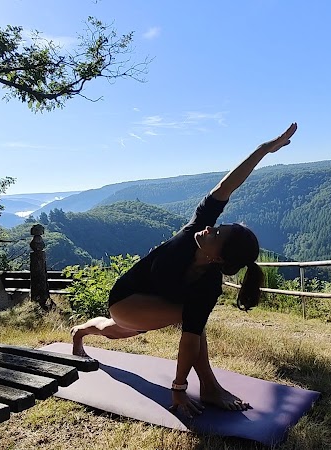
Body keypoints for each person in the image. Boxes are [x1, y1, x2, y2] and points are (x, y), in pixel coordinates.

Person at [71, 122, 298, 419]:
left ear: (218, 260)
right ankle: (209, 386)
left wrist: (178, 385)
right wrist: (265, 149)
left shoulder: (208, 285)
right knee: (191, 318)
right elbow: (226, 186)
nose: (210, 229)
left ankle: (79, 332)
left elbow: (189, 340)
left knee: (112, 331)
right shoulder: (193, 232)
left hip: (149, 310)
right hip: (126, 297)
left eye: (217, 235)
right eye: (217, 227)